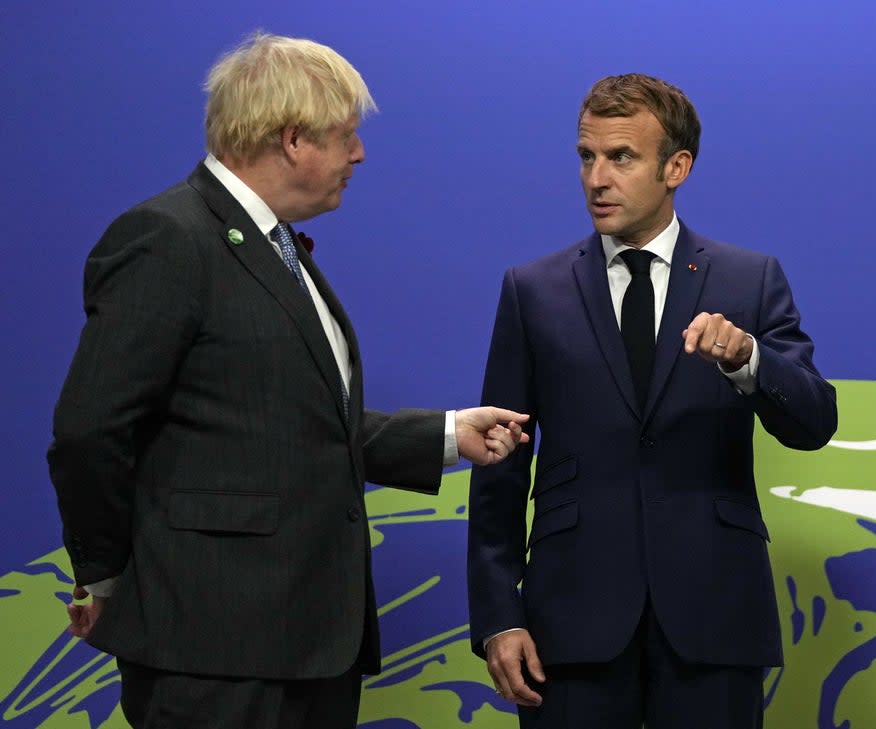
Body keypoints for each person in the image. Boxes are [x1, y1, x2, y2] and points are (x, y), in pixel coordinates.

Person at [48, 32, 529, 729]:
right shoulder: (168, 238)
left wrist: (450, 434)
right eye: (346, 136)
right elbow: (90, 429)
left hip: (308, 652)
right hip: (212, 653)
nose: (358, 154)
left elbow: (289, 425)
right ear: (294, 139)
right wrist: (109, 576)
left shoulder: (273, 246)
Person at [467, 73, 838, 728]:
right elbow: (499, 462)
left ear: (677, 167)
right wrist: (499, 617)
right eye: (587, 156)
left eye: (621, 157)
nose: (596, 178)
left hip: (714, 617)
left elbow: (813, 420)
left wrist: (748, 358)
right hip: (571, 625)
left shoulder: (749, 279)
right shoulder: (532, 290)